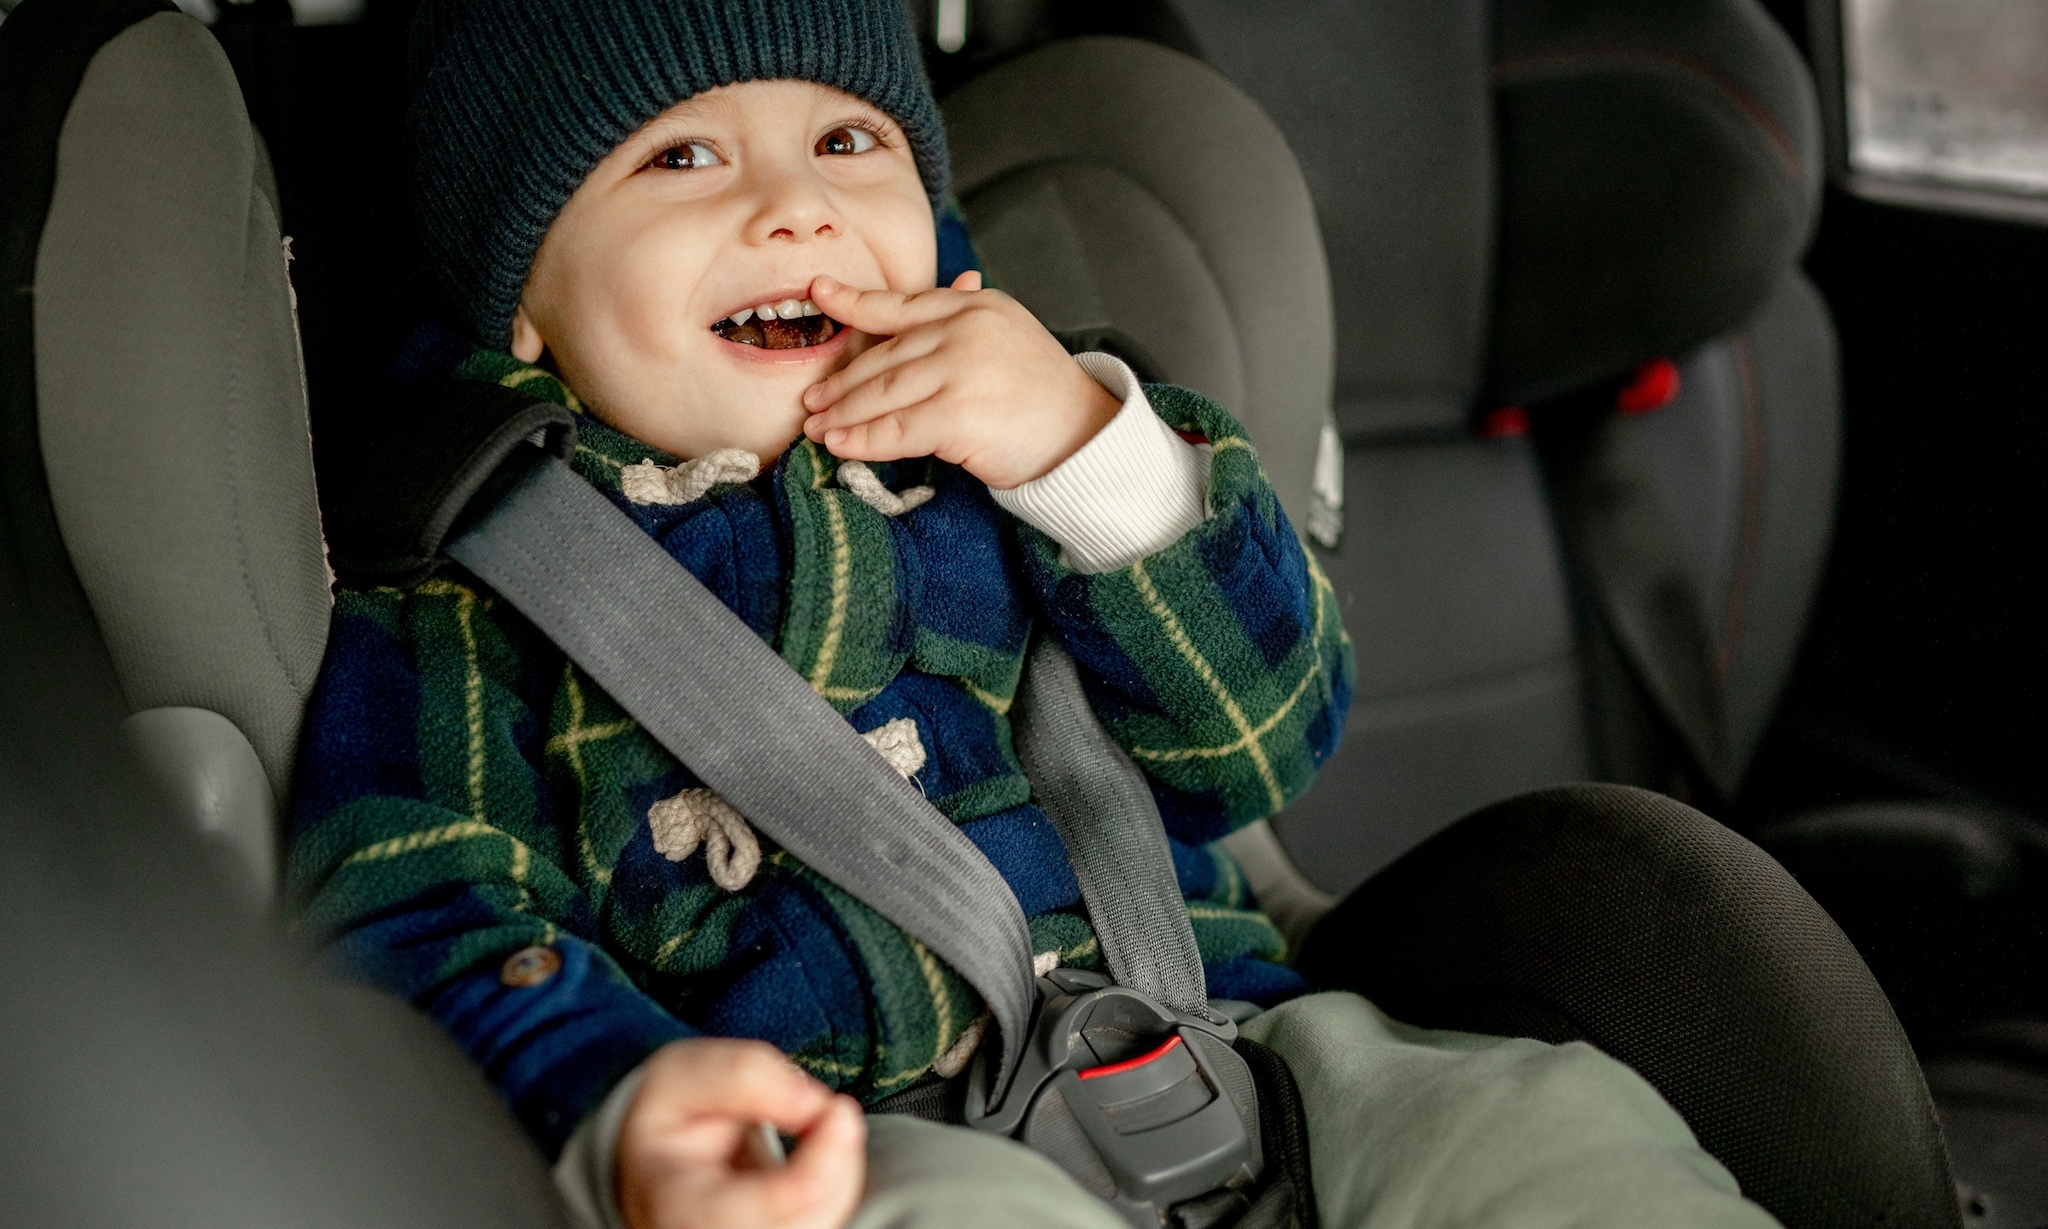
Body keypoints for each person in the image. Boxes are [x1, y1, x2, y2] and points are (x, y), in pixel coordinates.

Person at [287, 2, 1779, 1227]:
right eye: (680, 156)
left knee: (1549, 1124)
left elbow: (1269, 744)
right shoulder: (474, 592)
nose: (797, 205)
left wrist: (1084, 452)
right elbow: (407, 902)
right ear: (528, 300)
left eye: (849, 140)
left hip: (1234, 1046)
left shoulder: (1049, 445)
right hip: (846, 1139)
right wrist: (611, 1097)